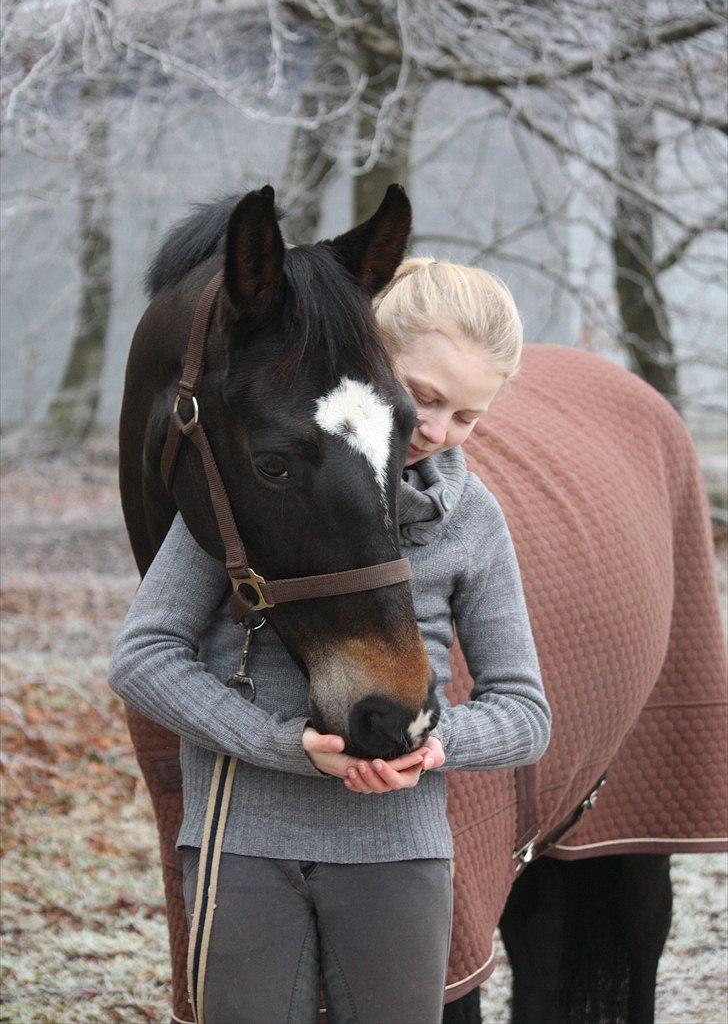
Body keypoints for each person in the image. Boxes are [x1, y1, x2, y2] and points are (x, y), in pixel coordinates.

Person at [108, 257, 552, 1024]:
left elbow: (526, 712)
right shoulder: (260, 477)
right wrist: (283, 744)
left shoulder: (472, 518)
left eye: (469, 417)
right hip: (243, 839)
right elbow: (143, 657)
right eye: (424, 398)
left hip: (399, 849)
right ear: (371, 356)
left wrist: (433, 742)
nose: (438, 432)